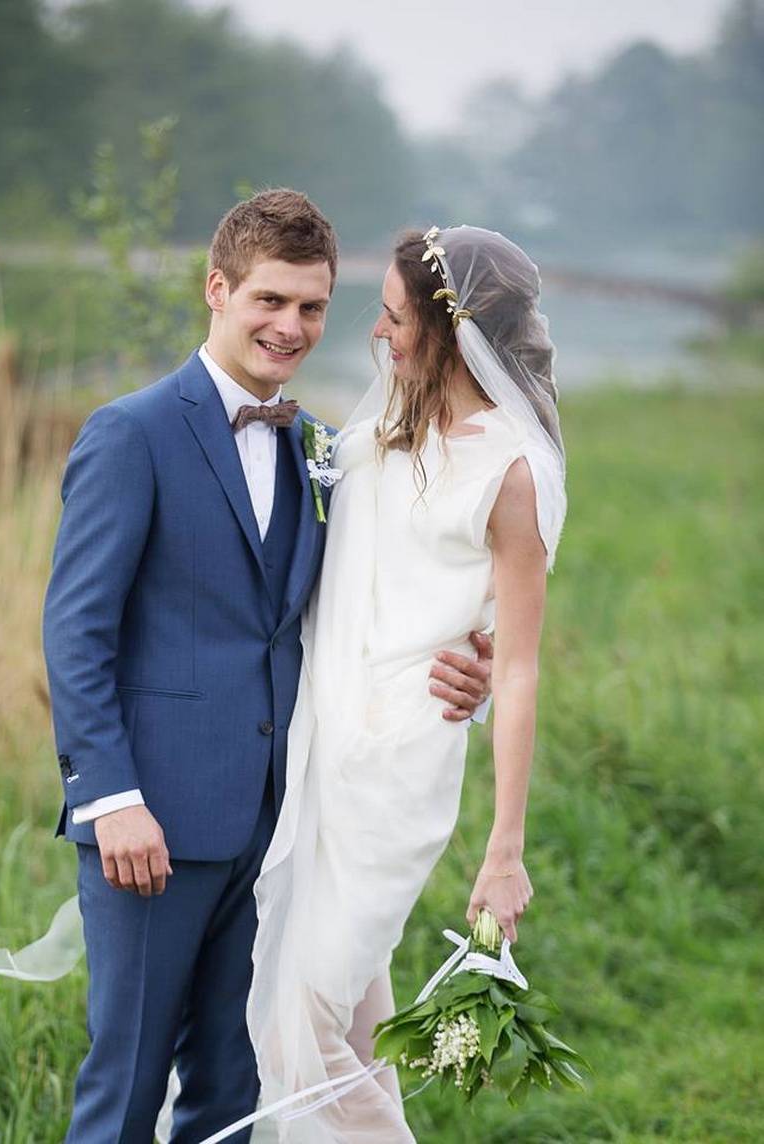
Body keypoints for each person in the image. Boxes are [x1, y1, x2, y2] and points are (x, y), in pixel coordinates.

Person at [0, 192, 492, 1144]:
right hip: (150, 827)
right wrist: (110, 799)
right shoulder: (131, 433)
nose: (290, 326)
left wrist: (467, 668)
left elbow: (369, 608)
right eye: (270, 300)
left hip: (282, 827)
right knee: (126, 1090)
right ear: (216, 289)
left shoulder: (322, 449)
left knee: (233, 1094)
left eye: (311, 307)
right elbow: (76, 632)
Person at [236, 224, 567, 1143]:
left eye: (393, 317)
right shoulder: (389, 422)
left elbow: (521, 664)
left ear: (451, 330)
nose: (376, 333)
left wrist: (505, 851)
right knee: (346, 1027)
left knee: (295, 1025)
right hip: (315, 738)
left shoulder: (511, 470)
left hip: (394, 765)